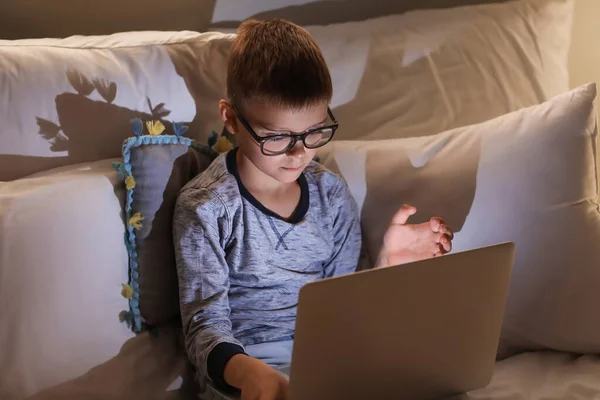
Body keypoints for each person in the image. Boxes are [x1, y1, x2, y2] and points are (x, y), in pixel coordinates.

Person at [173, 18, 454, 400]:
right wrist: (248, 373)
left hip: (331, 362)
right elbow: (204, 327)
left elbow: (345, 308)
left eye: (314, 132)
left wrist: (387, 267)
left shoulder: (330, 194)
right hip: (249, 372)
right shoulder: (206, 208)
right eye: (277, 138)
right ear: (232, 120)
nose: (299, 153)